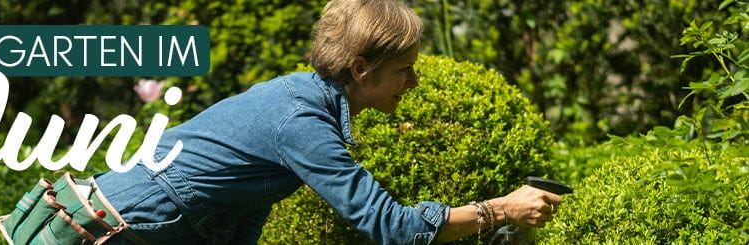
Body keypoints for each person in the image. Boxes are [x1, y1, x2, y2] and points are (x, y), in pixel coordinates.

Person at [95, 0, 563, 244]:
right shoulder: (301, 122)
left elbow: (246, 201)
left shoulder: (295, 95)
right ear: (361, 69)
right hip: (109, 230)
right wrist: (499, 210)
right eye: (405, 70)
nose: (415, 82)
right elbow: (393, 228)